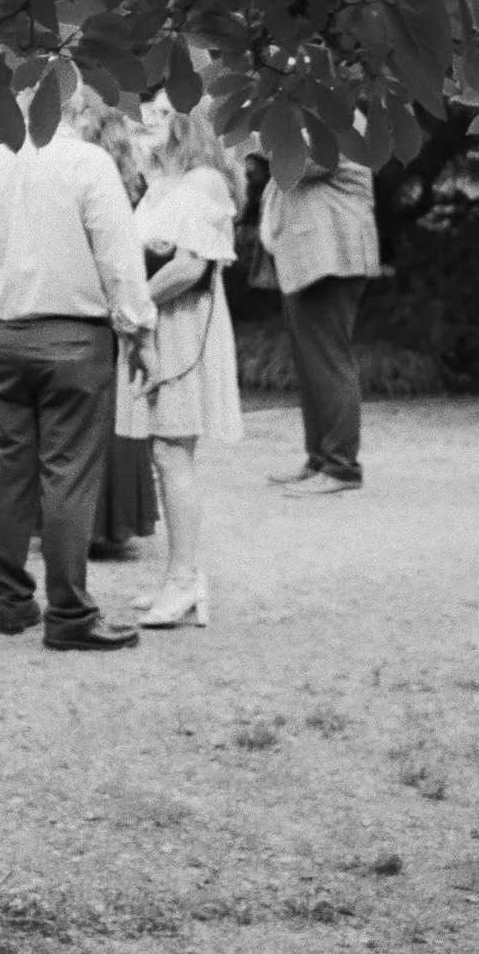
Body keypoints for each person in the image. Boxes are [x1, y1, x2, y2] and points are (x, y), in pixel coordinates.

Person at [0, 88, 156, 653]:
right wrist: (138, 330)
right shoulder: (90, 164)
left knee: (7, 471)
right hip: (75, 341)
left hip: (4, 338)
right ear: (76, 110)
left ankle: (12, 605)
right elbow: (119, 258)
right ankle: (69, 614)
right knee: (68, 475)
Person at [116, 104, 243, 631]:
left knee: (173, 451)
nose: (145, 122)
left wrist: (130, 307)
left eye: (161, 115)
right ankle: (179, 576)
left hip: (186, 326)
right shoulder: (162, 182)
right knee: (161, 451)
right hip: (156, 322)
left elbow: (189, 267)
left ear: (189, 123)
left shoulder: (204, 181)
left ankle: (185, 579)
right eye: (143, 115)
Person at [260, 155, 380, 495]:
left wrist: (257, 138)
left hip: (331, 258)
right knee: (312, 365)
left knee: (328, 362)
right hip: (311, 257)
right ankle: (318, 461)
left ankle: (342, 468)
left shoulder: (337, 114)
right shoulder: (314, 114)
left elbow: (298, 164)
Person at [82, 100, 161, 555]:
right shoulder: (131, 184)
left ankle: (92, 520)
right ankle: (111, 519)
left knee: (95, 419)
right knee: (113, 414)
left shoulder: (97, 181)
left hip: (97, 305)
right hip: (118, 308)